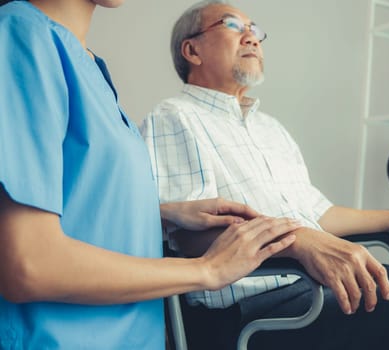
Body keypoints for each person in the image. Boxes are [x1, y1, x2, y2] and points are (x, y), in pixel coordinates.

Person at [140, 1, 389, 349]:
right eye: (233, 26)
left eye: (256, 30)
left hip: (323, 283)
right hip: (259, 306)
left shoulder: (270, 129)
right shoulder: (175, 118)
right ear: (192, 50)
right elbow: (191, 238)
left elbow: (319, 214)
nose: (252, 38)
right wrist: (297, 243)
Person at [0, 0, 301, 348]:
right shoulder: (21, 37)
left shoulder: (87, 64)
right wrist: (207, 270)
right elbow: (29, 264)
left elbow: (77, 200)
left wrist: (158, 216)